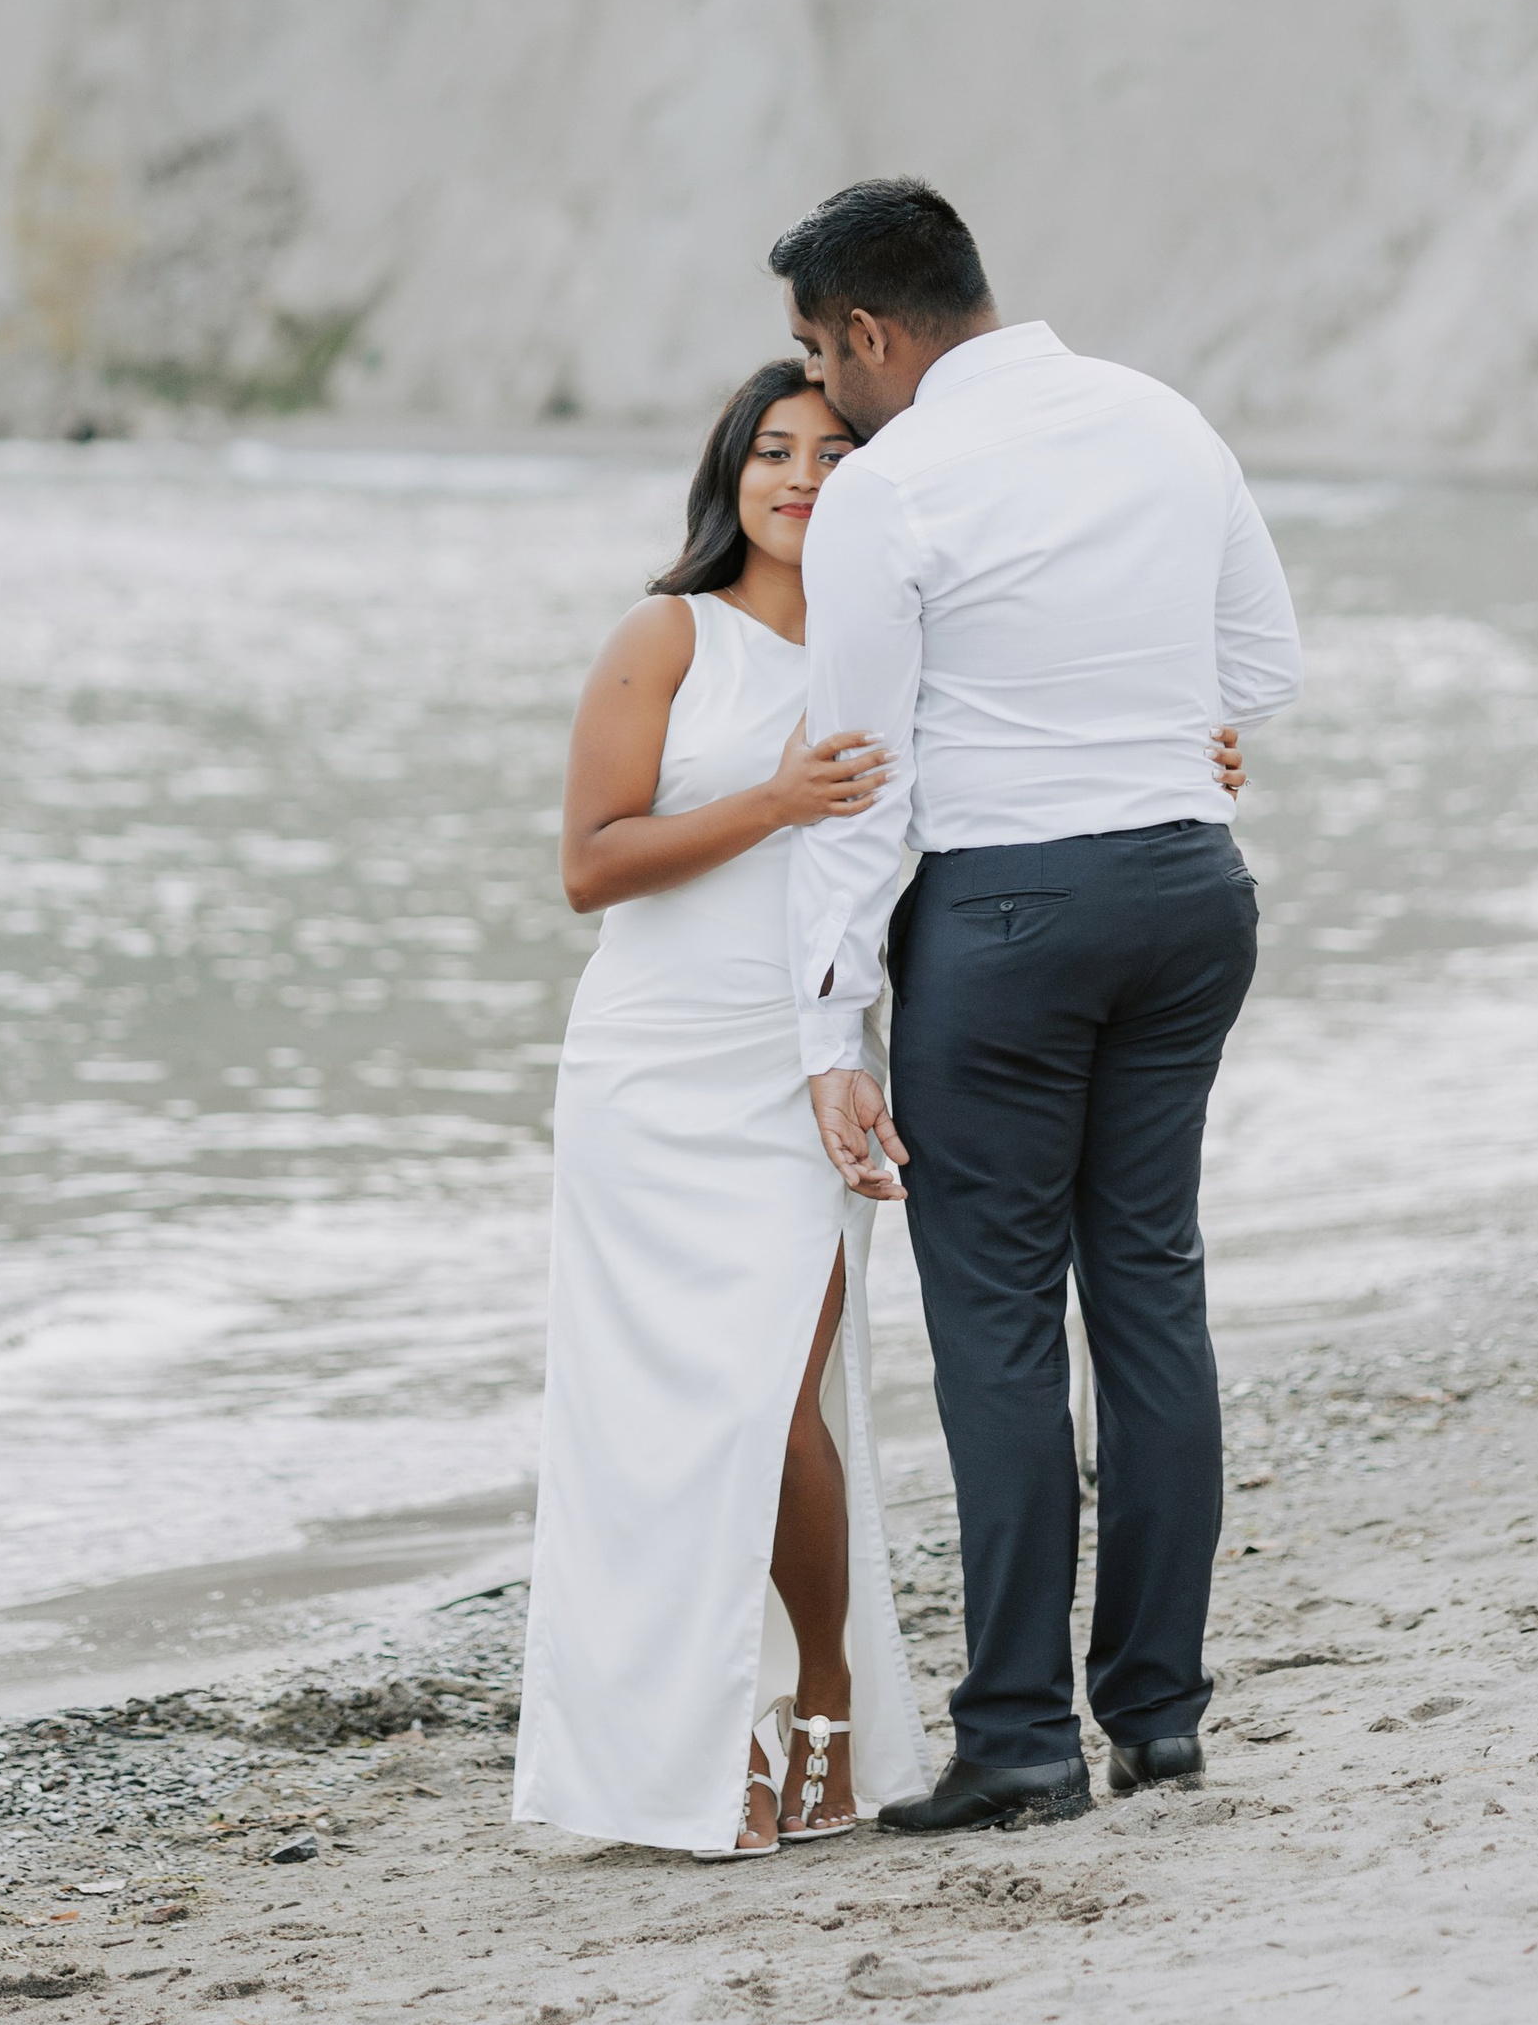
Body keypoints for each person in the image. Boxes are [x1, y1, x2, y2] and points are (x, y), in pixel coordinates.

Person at [774, 179, 1303, 1834]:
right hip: (1191, 893)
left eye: (816, 351)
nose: (822, 392)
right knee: (1150, 1289)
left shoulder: (899, 481)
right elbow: (1264, 671)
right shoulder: (1166, 421)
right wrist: (1172, 735)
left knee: (997, 1323)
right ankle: (1158, 1717)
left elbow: (862, 783)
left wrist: (824, 1028)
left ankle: (1015, 1738)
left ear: (869, 332)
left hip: (1005, 917)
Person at [510, 362, 938, 1857]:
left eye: (832, 452)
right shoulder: (667, 636)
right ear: (730, 477)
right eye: (772, 451)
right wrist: (771, 799)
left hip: (801, 1067)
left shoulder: (895, 661)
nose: (800, 478)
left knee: (776, 1408)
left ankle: (818, 1701)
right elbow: (590, 864)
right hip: (646, 1070)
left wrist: (1202, 759)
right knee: (664, 1429)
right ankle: (710, 1749)